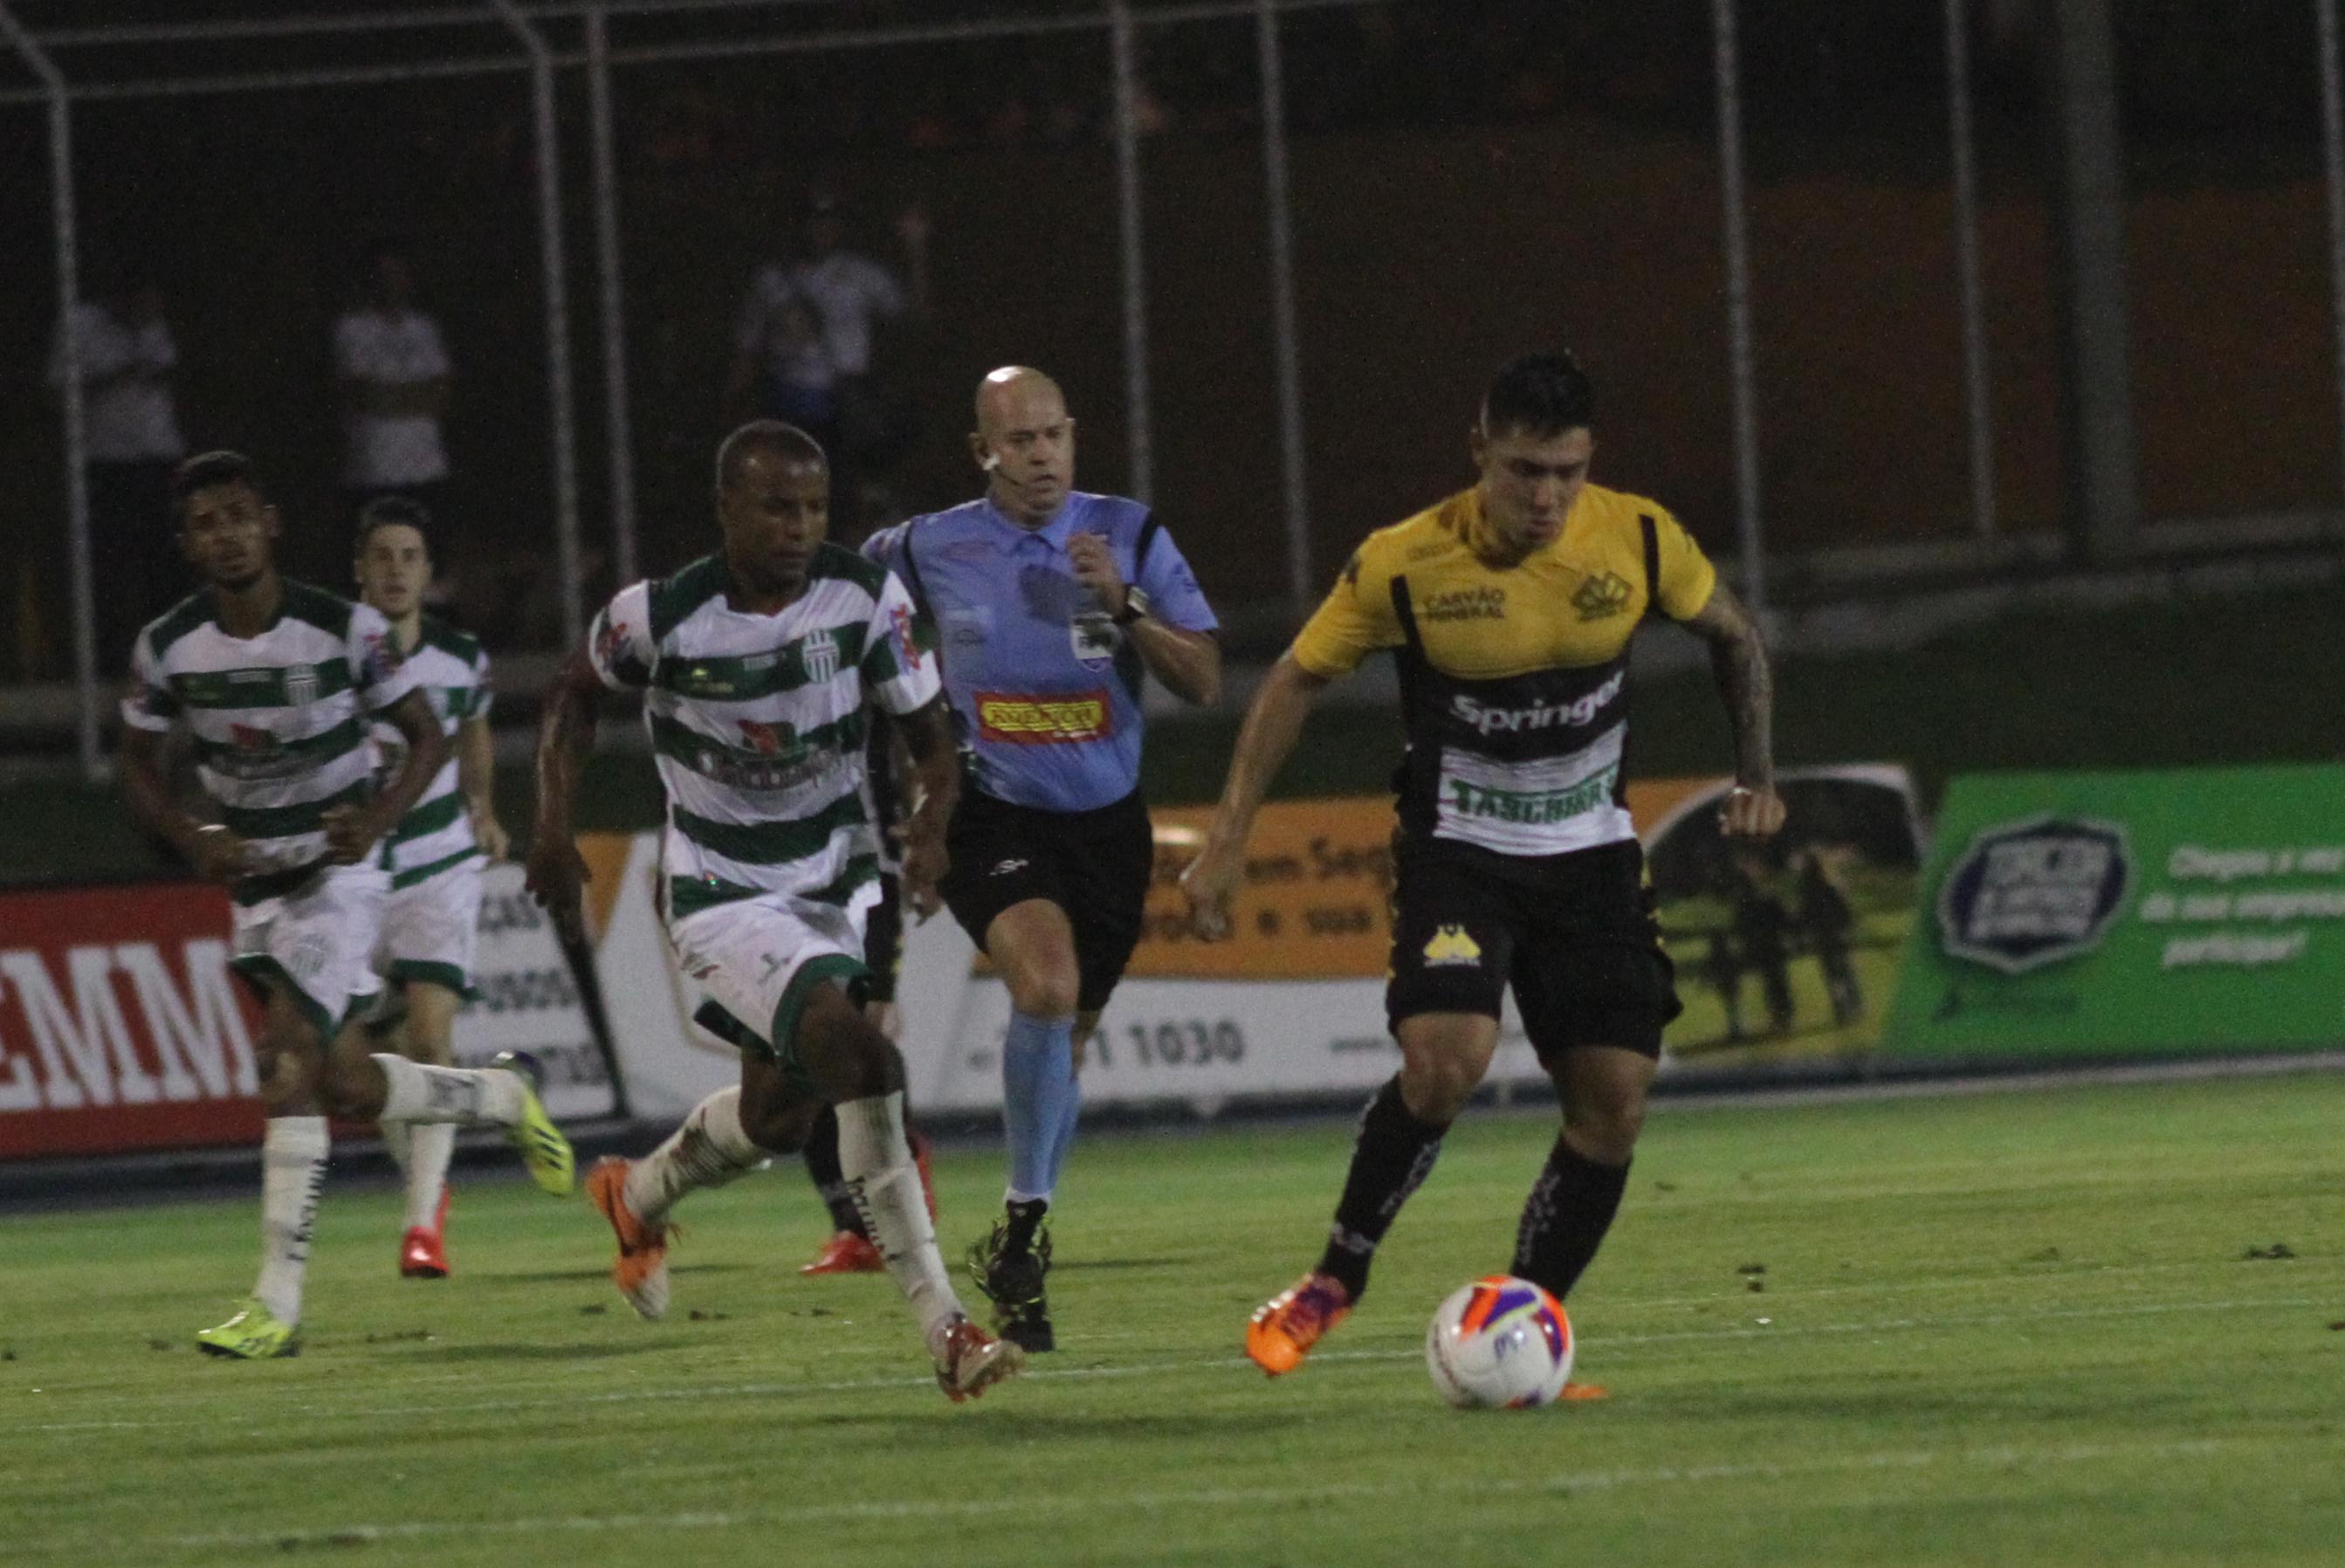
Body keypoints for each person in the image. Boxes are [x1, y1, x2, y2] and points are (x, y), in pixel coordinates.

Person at [1180, 350, 1785, 1387]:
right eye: (1522, 471)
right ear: (1478, 454)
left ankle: (1523, 1319)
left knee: (1614, 1101)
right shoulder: (1406, 563)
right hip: (1459, 851)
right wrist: (1231, 838)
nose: (1546, 496)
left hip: (1589, 855)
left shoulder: (1638, 538)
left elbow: (1734, 633)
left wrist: (1756, 773)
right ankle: (1334, 1276)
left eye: (1565, 471)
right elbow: (1293, 678)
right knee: (1443, 1059)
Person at [525, 421, 1023, 1403]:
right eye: (776, 506)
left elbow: (931, 738)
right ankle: (945, 1324)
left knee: (779, 1114)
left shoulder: (864, 598)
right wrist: (550, 824)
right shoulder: (661, 615)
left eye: (814, 508)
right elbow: (573, 697)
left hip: (836, 882)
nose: (799, 527)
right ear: (726, 510)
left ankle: (637, 1193)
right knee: (864, 1059)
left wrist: (930, 829)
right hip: (721, 890)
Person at [119, 451, 574, 1360]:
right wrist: (187, 832)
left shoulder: (343, 630)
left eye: (241, 514)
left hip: (339, 878)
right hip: (256, 882)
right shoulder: (168, 646)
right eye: (207, 523)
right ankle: (497, 1093)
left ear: (272, 523)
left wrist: (375, 819)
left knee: (283, 1063)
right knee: (349, 1083)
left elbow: (427, 733)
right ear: (187, 543)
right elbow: (135, 761)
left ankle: (276, 1302)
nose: (228, 533)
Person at [863, 366, 1221, 1352]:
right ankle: (1021, 1233)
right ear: (983, 451)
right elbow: (839, 617)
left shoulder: (1129, 532)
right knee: (1048, 987)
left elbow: (1202, 678)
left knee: (1068, 1036)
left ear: (1074, 436)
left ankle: (1022, 1235)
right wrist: (912, 789)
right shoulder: (925, 546)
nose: (1040, 458)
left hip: (1107, 824)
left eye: (1053, 436)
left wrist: (1128, 604)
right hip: (991, 812)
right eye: (1017, 442)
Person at [352, 497, 510, 1278]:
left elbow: (474, 739)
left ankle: (422, 1221)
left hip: (440, 862)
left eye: (409, 556)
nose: (395, 570)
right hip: (356, 871)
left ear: (428, 571)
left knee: (430, 1039)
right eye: (381, 556)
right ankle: (427, 1184)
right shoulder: (335, 655)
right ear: (359, 571)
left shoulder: (459, 657)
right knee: (370, 1055)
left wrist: (482, 809)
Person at [724, 190, 930, 523]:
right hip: (789, 402)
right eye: (813, 222)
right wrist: (733, 407)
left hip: (845, 403)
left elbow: (911, 316)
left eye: (827, 222)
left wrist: (914, 248)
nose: (819, 231)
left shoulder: (859, 275)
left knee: (849, 492)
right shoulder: (771, 281)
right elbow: (747, 349)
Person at [48, 266, 188, 673]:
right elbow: (57, 393)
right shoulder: (81, 325)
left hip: (159, 458)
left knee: (165, 562)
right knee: (110, 565)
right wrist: (114, 379)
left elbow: (168, 374)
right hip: (107, 461)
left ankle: (170, 661)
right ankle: (109, 663)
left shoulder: (154, 327)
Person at [335, 247, 453, 524]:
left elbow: (441, 396)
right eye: (383, 275)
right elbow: (364, 396)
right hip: (374, 470)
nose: (391, 283)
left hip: (426, 467)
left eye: (398, 274)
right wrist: (417, 395)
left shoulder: (425, 329)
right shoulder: (353, 329)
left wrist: (391, 396)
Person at [1795, 848, 1863, 1026]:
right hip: (1836, 935)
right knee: (1845, 971)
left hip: (1821, 937)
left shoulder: (1806, 892)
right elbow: (1844, 911)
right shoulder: (1831, 887)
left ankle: (1841, 1008)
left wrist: (1805, 933)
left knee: (1832, 974)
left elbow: (1804, 917)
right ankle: (1854, 1005)